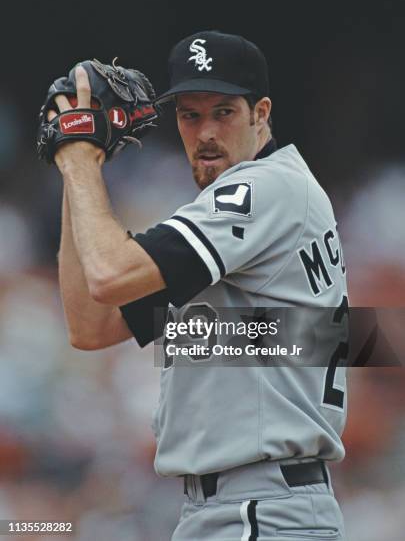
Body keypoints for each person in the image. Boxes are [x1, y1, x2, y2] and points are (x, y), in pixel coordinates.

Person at [54, 31, 348, 540]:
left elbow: (107, 274)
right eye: (191, 115)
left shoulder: (265, 187)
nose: (206, 131)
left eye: (224, 112)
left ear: (261, 114)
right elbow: (91, 325)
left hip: (261, 508)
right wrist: (77, 166)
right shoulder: (241, 227)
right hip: (238, 509)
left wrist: (80, 157)